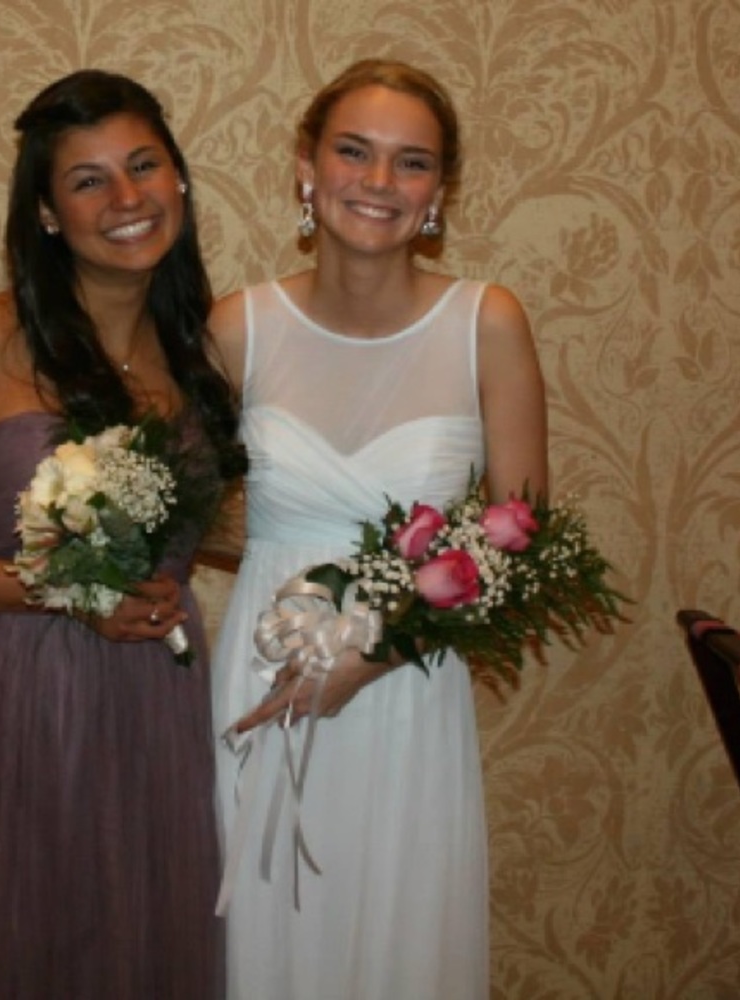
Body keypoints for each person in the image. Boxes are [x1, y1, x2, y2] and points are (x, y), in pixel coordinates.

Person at [208, 58, 548, 999]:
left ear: (438, 191)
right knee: (266, 935)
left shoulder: (488, 322)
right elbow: (188, 509)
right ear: (306, 168)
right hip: (263, 677)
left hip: (406, 685)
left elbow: (521, 543)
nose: (378, 183)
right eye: (353, 152)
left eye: (412, 163)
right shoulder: (239, 327)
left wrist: (372, 655)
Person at [0, 69, 245, 999]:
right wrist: (66, 590)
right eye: (89, 179)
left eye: (144, 165)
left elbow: (226, 530)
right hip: (17, 705)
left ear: (180, 179)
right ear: (49, 214)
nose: (127, 197)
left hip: (158, 705)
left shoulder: (202, 358)